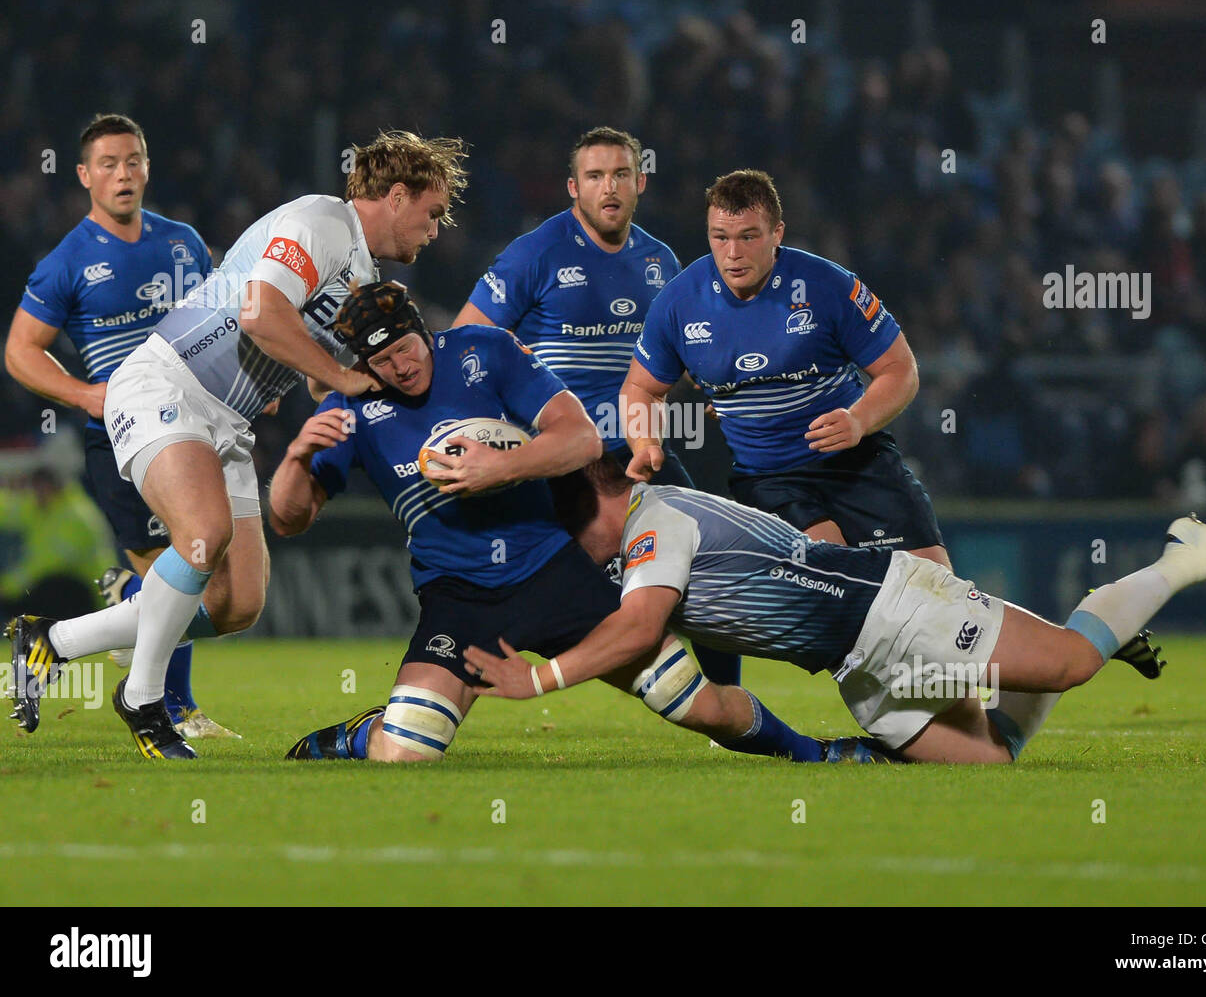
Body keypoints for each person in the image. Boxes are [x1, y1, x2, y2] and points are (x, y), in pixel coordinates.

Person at [273, 282, 879, 765]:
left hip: (553, 573)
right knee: (403, 752)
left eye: (406, 348)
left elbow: (582, 439)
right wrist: (299, 458)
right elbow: (289, 518)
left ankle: (815, 752)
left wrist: (501, 467)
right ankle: (364, 732)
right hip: (458, 599)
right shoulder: (349, 409)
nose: (401, 367)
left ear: (423, 331)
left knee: (687, 700)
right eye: (382, 361)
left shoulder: (486, 351)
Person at [7, 132, 468, 759]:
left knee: (236, 603)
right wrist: (340, 375)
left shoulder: (360, 273)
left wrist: (371, 359)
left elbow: (303, 365)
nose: (435, 230)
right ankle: (143, 701)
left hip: (228, 419)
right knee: (202, 534)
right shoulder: (321, 220)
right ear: (395, 196)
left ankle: (51, 641)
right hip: (163, 384)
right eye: (433, 212)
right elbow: (258, 312)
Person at [467, 457, 1206, 764]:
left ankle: (1187, 554)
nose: (584, 543)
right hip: (856, 663)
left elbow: (641, 629)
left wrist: (537, 682)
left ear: (613, 492)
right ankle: (1116, 616)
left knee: (1070, 660)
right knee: (994, 762)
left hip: (894, 608)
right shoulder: (645, 527)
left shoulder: (656, 524)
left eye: (581, 524)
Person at [452, 127, 741, 687]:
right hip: (560, 456)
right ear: (572, 188)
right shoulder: (534, 252)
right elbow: (467, 344)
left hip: (635, 449)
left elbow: (671, 361)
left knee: (707, 566)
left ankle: (726, 707)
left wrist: (710, 387)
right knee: (515, 594)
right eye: (594, 176)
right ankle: (433, 697)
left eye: (620, 174)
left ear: (640, 182)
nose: (608, 187)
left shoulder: (661, 260)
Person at [3, 113, 234, 737]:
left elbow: (218, 325)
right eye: (107, 164)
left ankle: (91, 618)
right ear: (84, 176)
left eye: (133, 160)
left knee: (223, 593)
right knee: (182, 564)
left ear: (147, 166)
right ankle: (172, 708)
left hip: (196, 427)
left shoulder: (183, 241)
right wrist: (83, 394)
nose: (123, 174)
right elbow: (20, 349)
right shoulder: (67, 261)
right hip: (123, 440)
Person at [622, 168, 949, 573]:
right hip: (770, 480)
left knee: (936, 584)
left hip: (858, 462)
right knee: (839, 576)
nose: (732, 253)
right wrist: (644, 444)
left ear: (777, 232)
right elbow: (641, 388)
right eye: (720, 237)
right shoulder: (678, 302)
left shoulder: (828, 285)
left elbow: (901, 370)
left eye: (748, 236)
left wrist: (858, 419)